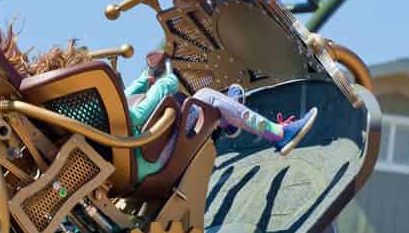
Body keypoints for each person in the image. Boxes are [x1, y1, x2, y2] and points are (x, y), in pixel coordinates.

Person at [126, 52, 319, 181]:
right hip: (150, 159)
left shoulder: (97, 114)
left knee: (204, 103)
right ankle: (278, 134)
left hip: (139, 161)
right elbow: (136, 116)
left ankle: (227, 117)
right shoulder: (101, 104)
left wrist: (147, 75)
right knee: (205, 97)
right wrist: (165, 82)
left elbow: (125, 101)